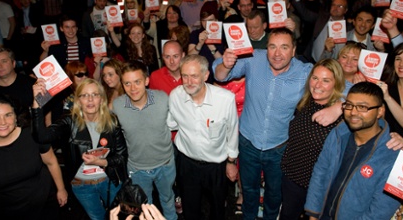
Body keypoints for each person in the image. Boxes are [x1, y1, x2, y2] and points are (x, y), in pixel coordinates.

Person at [213, 27, 343, 219]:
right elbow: (219, 75)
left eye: (284, 47)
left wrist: (340, 106)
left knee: (274, 194)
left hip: (280, 147)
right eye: (272, 47)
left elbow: (347, 86)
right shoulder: (252, 59)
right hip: (248, 142)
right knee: (248, 191)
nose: (277, 53)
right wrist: (225, 64)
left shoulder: (306, 71)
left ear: (293, 50)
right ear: (266, 49)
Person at [31, 78, 127, 220]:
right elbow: (41, 137)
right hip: (82, 186)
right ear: (78, 100)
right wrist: (37, 103)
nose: (90, 99)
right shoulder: (69, 121)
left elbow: (122, 156)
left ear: (101, 99)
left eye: (95, 94)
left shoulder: (112, 120)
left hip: (109, 181)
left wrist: (101, 162)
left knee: (118, 216)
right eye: (84, 95)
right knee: (97, 217)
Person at [0, 94, 68, 219]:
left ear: (16, 117)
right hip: (4, 214)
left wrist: (61, 189)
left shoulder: (32, 134)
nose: (3, 122)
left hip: (46, 208)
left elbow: (51, 162)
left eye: (8, 115)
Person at [305, 82, 401, 219]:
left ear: (380, 111)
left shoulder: (391, 155)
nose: (353, 112)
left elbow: (380, 210)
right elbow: (320, 173)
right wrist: (313, 214)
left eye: (362, 107)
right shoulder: (338, 134)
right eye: (349, 105)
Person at [167, 54, 239, 220]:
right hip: (187, 163)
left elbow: (232, 132)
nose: (189, 81)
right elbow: (172, 124)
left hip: (216, 165)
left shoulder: (225, 99)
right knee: (190, 209)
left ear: (206, 76)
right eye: (185, 76)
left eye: (194, 76)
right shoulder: (176, 96)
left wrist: (231, 162)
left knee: (217, 208)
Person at [280, 59, 346, 219]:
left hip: (319, 187)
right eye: (315, 78)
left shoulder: (342, 115)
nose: (317, 85)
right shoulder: (305, 102)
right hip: (292, 177)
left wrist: (342, 107)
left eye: (326, 80)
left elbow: (371, 109)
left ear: (336, 84)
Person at [113, 61, 177, 220]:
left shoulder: (163, 99)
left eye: (137, 82)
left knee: (168, 200)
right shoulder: (117, 105)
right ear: (122, 84)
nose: (133, 88)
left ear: (146, 81)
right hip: (138, 168)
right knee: (143, 208)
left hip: (165, 164)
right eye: (127, 83)